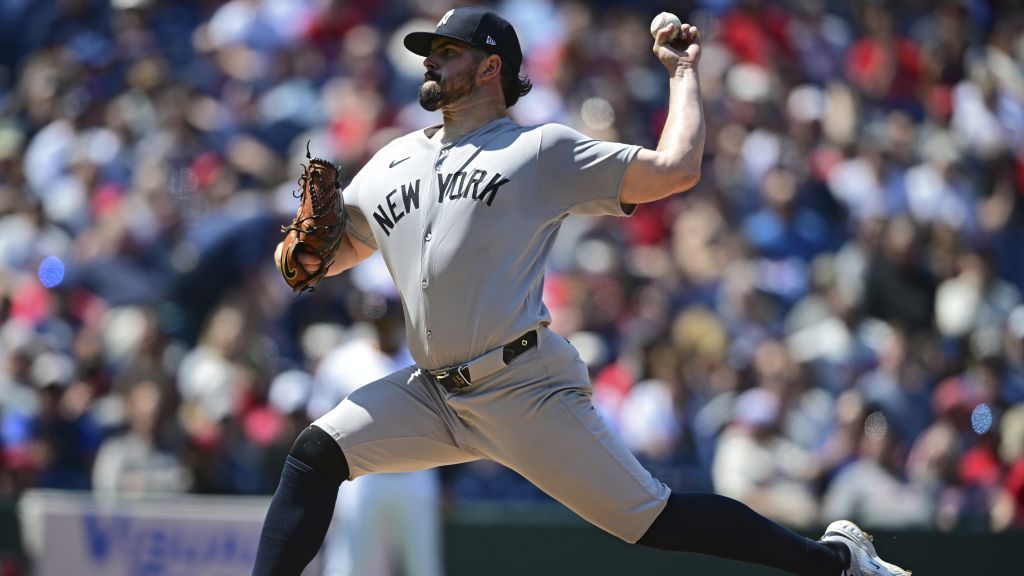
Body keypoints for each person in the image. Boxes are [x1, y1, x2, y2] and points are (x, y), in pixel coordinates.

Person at [254, 8, 909, 576]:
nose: (431, 61)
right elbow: (312, 262)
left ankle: (834, 562)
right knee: (316, 456)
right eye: (430, 52)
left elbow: (675, 170)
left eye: (447, 52)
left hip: (523, 388)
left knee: (653, 518)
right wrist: (301, 250)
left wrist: (682, 72)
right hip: (429, 391)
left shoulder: (538, 150)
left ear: (490, 69)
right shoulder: (392, 159)